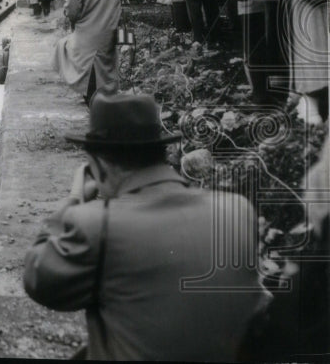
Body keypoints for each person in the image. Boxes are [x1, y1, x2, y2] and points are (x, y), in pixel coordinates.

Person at [23, 93, 266, 361]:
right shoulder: (237, 209)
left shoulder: (97, 225)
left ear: (99, 165)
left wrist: (73, 200)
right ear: (160, 153)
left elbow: (37, 279)